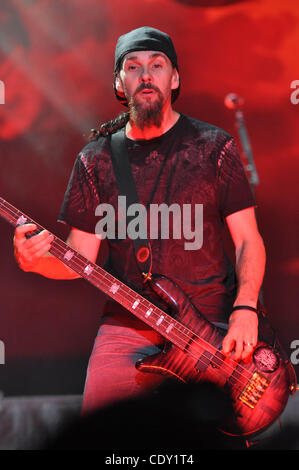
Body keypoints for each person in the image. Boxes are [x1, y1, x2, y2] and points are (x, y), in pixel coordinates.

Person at [13, 26, 266, 415]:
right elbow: (80, 258)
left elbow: (248, 239)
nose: (146, 75)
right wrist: (33, 261)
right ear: (119, 83)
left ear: (175, 77)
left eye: (157, 65)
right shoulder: (95, 160)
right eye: (133, 67)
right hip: (127, 325)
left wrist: (244, 310)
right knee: (101, 437)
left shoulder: (215, 147)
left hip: (213, 329)